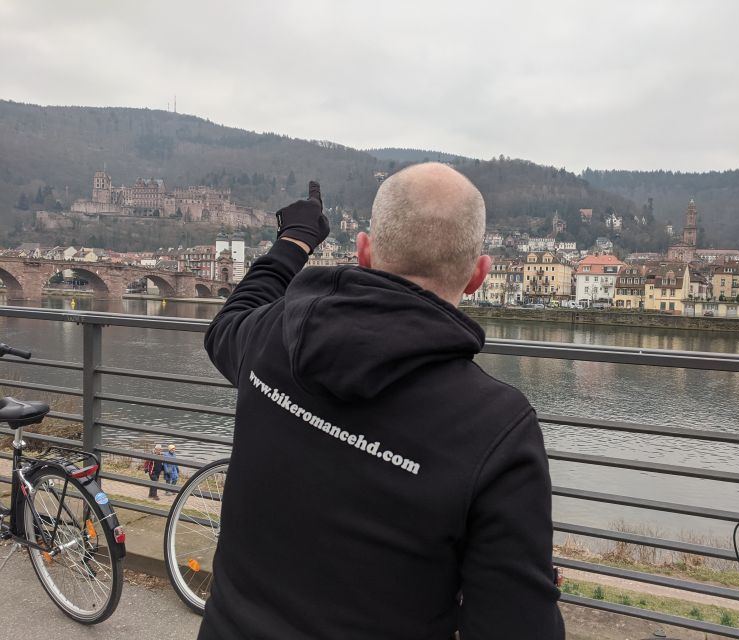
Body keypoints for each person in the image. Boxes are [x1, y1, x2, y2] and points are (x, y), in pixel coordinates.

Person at [200, 166, 564, 639]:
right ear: (478, 276)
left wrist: (294, 241)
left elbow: (229, 321)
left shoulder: (277, 336)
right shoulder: (497, 427)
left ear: (364, 252)